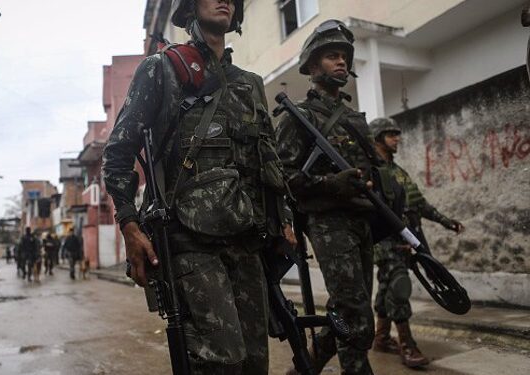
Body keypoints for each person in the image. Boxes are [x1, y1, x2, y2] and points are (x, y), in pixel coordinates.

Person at [103, 0, 295, 372]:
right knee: (221, 359)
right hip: (190, 242)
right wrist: (129, 224)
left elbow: (269, 163)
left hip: (248, 243)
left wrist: (283, 221)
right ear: (191, 7)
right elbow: (119, 151)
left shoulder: (250, 84)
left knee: (255, 362)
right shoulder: (163, 69)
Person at [276, 19, 378, 374]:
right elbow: (282, 177)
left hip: (362, 221)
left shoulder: (355, 119)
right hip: (328, 223)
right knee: (354, 313)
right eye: (331, 56)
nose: (341, 63)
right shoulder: (298, 117)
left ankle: (305, 368)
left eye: (344, 57)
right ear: (312, 64)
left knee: (353, 309)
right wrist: (332, 185)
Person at [369, 117, 464, 368]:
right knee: (399, 287)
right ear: (378, 138)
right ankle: (407, 345)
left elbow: (418, 204)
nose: (397, 138)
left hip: (406, 239)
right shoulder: (371, 170)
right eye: (391, 134)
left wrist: (447, 222)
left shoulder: (399, 172)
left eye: (397, 134)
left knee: (387, 287)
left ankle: (380, 337)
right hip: (385, 241)